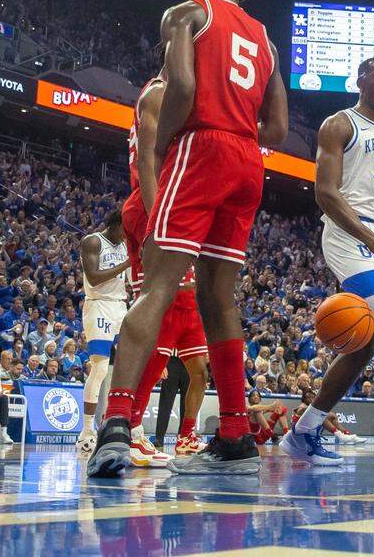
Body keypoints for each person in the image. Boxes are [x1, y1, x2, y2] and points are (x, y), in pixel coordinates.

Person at [88, 0, 288, 477]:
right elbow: (278, 129)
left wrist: (170, 143)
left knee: (157, 286)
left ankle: (115, 426)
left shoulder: (188, 13)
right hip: (250, 161)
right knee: (220, 299)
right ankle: (235, 433)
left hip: (203, 148)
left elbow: (182, 89)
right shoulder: (265, 39)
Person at [282, 57, 374, 470]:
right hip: (347, 234)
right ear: (360, 81)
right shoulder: (339, 125)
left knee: (364, 343)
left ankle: (304, 431)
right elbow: (326, 194)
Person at [121, 68, 209, 460]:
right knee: (154, 335)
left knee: (198, 367)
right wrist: (161, 221)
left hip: (170, 210)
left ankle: (185, 435)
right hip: (151, 207)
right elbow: (149, 165)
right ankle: (128, 425)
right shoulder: (158, 94)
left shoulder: (169, 97)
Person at [76, 211, 130, 454]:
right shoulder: (93, 241)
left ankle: (125, 426)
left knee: (126, 368)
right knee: (98, 368)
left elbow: (131, 277)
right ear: (115, 224)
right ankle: (87, 430)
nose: (127, 234)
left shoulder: (125, 245)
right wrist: (128, 262)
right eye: (125, 229)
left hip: (121, 306)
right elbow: (94, 278)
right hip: (98, 304)